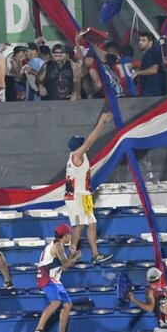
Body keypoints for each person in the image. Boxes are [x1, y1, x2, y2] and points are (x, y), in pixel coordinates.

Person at [65, 113, 115, 263]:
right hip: (75, 197)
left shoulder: (81, 154)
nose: (84, 144)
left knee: (92, 223)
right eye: (81, 143)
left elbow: (89, 142)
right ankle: (72, 252)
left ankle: (95, 255)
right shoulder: (76, 156)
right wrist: (101, 123)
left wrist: (101, 123)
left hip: (84, 195)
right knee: (79, 225)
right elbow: (88, 143)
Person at [34, 224, 79, 332]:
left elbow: (64, 267)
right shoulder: (58, 246)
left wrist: (72, 256)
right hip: (47, 276)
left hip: (54, 278)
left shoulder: (58, 245)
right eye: (70, 235)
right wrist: (77, 257)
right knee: (56, 302)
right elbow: (66, 264)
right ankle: (39, 329)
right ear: (66, 235)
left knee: (67, 305)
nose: (70, 237)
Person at [133, 32, 164, 97]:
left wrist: (138, 73)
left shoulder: (152, 53)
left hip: (152, 91)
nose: (140, 42)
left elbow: (154, 70)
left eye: (143, 40)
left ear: (150, 42)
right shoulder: (148, 54)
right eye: (139, 40)